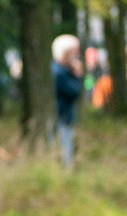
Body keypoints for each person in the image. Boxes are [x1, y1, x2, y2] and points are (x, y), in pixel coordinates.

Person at [52, 34, 83, 169]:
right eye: (75, 52)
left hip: (64, 116)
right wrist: (77, 75)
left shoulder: (63, 70)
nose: (77, 56)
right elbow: (74, 91)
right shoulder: (59, 71)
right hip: (61, 116)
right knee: (64, 151)